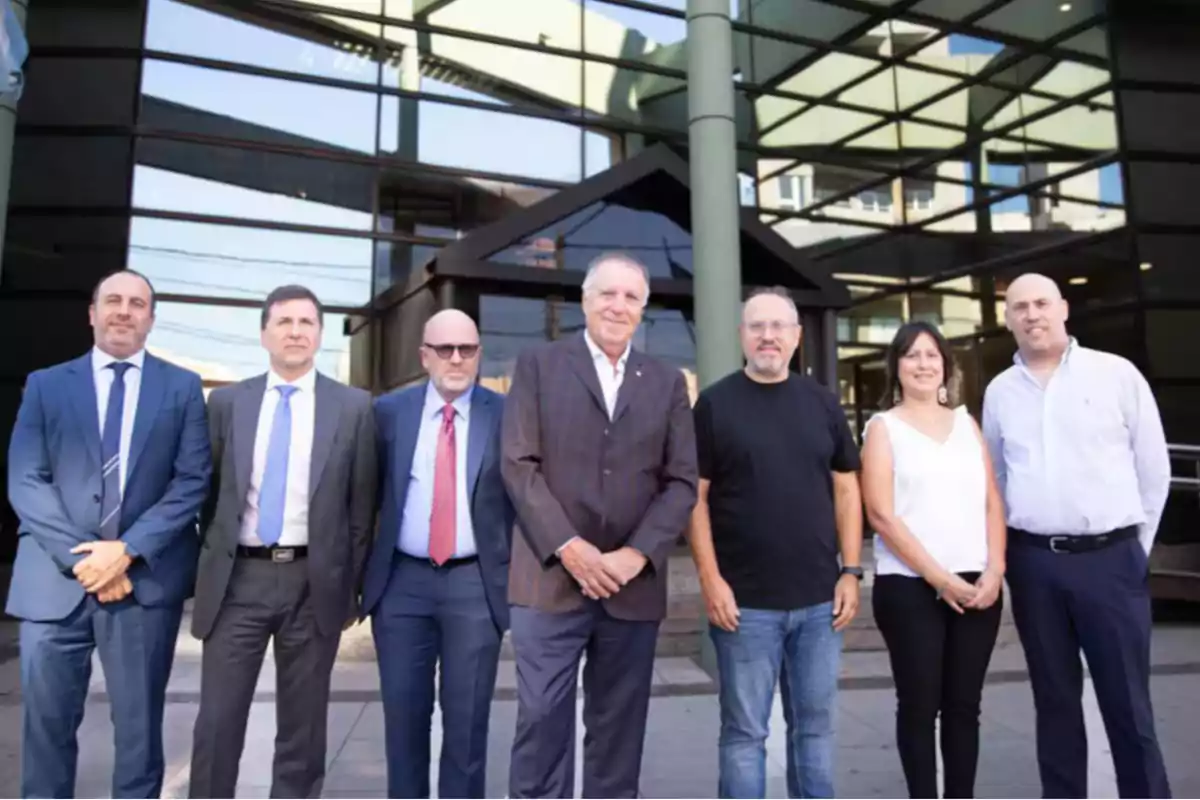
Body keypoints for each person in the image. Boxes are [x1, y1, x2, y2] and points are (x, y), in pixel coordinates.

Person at [6, 269, 210, 798]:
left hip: (142, 585)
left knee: (140, 735)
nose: (124, 310)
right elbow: (26, 479)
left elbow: (191, 482)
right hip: (54, 589)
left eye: (137, 303)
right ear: (92, 313)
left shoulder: (182, 387)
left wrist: (126, 552)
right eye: (113, 301)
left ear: (151, 319)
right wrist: (85, 562)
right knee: (47, 732)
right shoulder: (46, 384)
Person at [501, 252, 698, 798]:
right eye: (607, 294)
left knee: (618, 734)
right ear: (585, 301)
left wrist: (634, 556)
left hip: (631, 587)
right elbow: (518, 466)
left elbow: (682, 482)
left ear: (644, 309)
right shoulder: (539, 365)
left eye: (631, 297)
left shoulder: (666, 382)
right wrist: (571, 548)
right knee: (541, 722)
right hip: (549, 580)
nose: (618, 305)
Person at [982, 272, 1172, 799]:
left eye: (1042, 303)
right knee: (1054, 703)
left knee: (1129, 705)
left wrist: (1134, 550)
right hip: (1035, 564)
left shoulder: (1116, 374)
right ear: (1008, 318)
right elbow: (996, 478)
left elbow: (1152, 470)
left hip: (1110, 561)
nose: (1031, 314)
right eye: (1019, 307)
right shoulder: (1000, 392)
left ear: (1064, 308)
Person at [187, 285, 378, 798]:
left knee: (304, 726)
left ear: (318, 334)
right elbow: (208, 495)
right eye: (285, 322)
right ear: (264, 333)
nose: (296, 331)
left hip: (312, 583)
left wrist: (346, 586)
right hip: (237, 582)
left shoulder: (354, 408)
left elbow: (361, 511)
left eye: (307, 323)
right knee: (218, 721)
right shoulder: (227, 402)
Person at [687, 286, 863, 799]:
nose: (768, 336)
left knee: (817, 731)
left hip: (820, 603)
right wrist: (710, 579)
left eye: (778, 327)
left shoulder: (822, 402)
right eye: (757, 326)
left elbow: (847, 486)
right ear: (742, 335)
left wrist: (851, 570)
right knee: (745, 734)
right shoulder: (715, 405)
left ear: (796, 337)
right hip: (744, 606)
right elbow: (694, 498)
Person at [363, 309, 515, 798]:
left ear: (478, 355)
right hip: (402, 586)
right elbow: (364, 497)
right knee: (403, 719)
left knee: (468, 724)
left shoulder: (508, 414)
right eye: (445, 349)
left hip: (475, 585)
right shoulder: (387, 413)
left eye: (466, 349)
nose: (456, 358)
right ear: (424, 355)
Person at [860, 321, 1006, 799]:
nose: (923, 364)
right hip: (911, 588)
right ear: (896, 368)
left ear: (945, 365)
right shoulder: (882, 428)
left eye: (931, 355)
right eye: (911, 356)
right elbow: (881, 515)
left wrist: (996, 570)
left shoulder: (966, 423)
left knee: (965, 705)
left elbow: (990, 500)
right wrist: (940, 579)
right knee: (920, 705)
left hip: (977, 585)